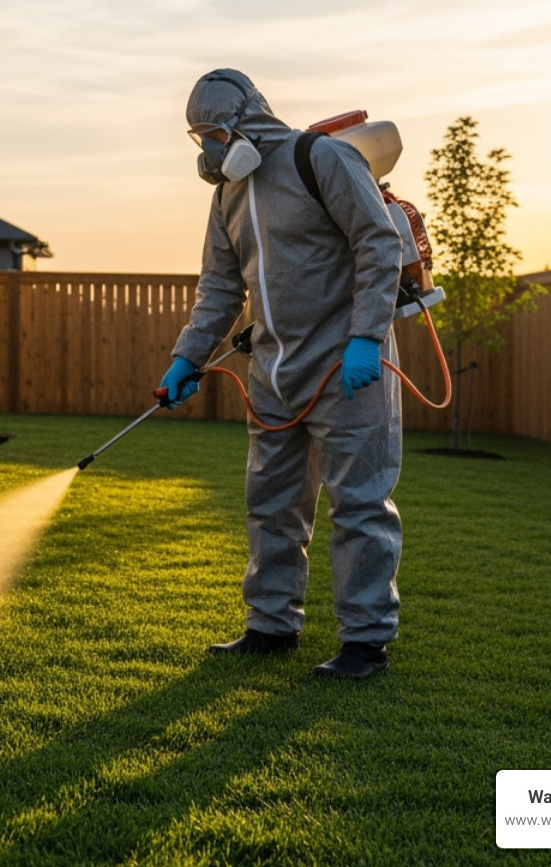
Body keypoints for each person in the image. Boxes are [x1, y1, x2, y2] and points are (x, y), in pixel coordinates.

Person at [162, 69, 405, 679]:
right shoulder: (227, 197)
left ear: (245, 121)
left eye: (214, 133)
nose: (209, 150)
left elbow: (377, 246)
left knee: (359, 505)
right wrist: (187, 357)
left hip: (348, 366)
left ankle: (365, 642)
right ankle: (271, 625)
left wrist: (365, 339)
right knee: (271, 504)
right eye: (199, 139)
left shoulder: (318, 159)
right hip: (275, 371)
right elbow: (220, 287)